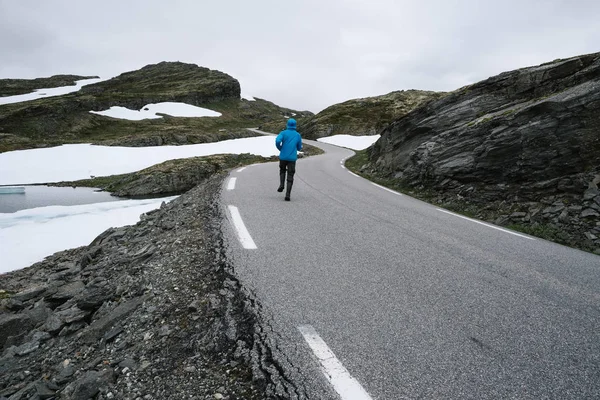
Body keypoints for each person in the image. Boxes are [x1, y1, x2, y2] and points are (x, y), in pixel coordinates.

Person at [275, 118, 303, 201]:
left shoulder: (283, 133)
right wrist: (298, 147)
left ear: (287, 124)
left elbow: (277, 141)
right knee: (290, 175)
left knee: (282, 170)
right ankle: (288, 195)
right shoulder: (298, 135)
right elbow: (299, 148)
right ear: (295, 125)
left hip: (283, 157)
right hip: (292, 158)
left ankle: (281, 185)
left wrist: (280, 148)